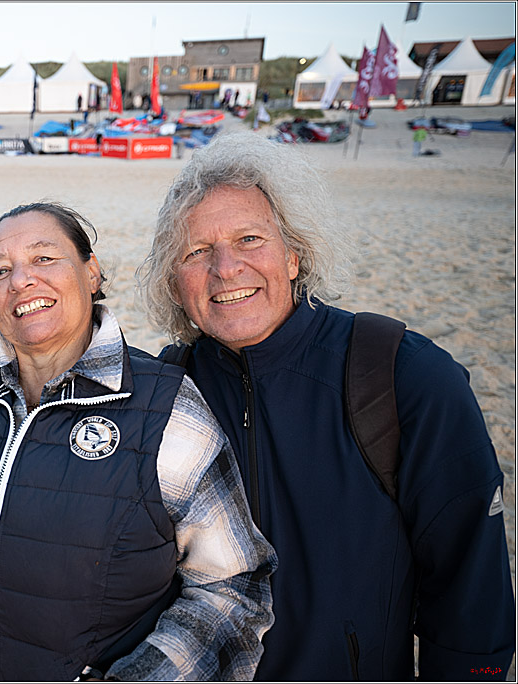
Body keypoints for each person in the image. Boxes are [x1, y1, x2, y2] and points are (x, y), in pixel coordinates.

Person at [138, 131, 515, 680]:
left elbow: (469, 591)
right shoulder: (164, 393)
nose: (225, 267)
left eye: (250, 239)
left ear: (295, 256)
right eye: (197, 252)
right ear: (176, 283)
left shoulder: (403, 376)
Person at [0, 202, 277, 681]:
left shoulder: (165, 408)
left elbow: (231, 588)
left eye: (44, 258)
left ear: (91, 273)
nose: (21, 280)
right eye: (1, 270)